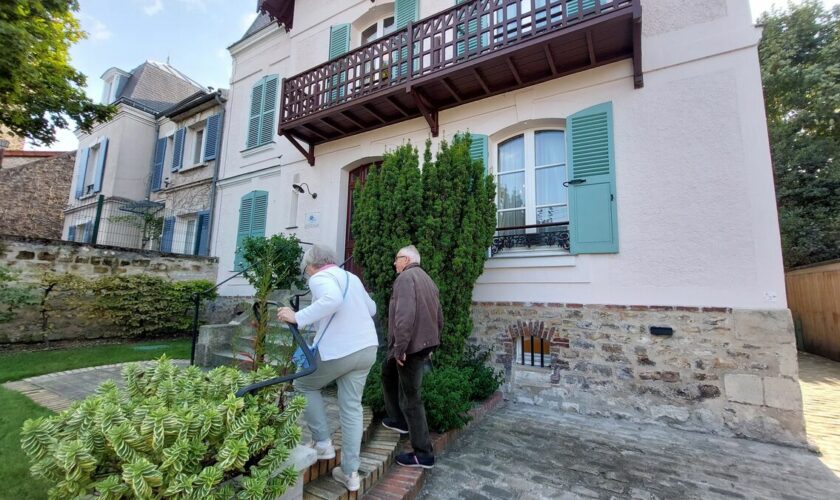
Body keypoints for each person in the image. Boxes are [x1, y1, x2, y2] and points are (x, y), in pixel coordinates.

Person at [277, 245, 378, 492]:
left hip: (338, 351)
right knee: (352, 407)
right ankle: (350, 472)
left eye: (305, 270)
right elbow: (372, 309)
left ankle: (323, 444)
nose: (307, 275)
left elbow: (332, 300)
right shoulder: (351, 277)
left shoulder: (320, 277)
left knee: (303, 384)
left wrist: (297, 316)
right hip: (366, 349)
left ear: (311, 266)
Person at [381, 245, 442, 469]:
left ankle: (423, 453)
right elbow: (439, 315)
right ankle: (397, 419)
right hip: (422, 345)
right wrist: (434, 342)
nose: (394, 263)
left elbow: (404, 316)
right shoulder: (427, 278)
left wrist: (400, 348)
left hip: (410, 348)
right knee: (387, 371)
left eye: (397, 259)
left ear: (406, 259)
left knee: (412, 399)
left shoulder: (406, 279)